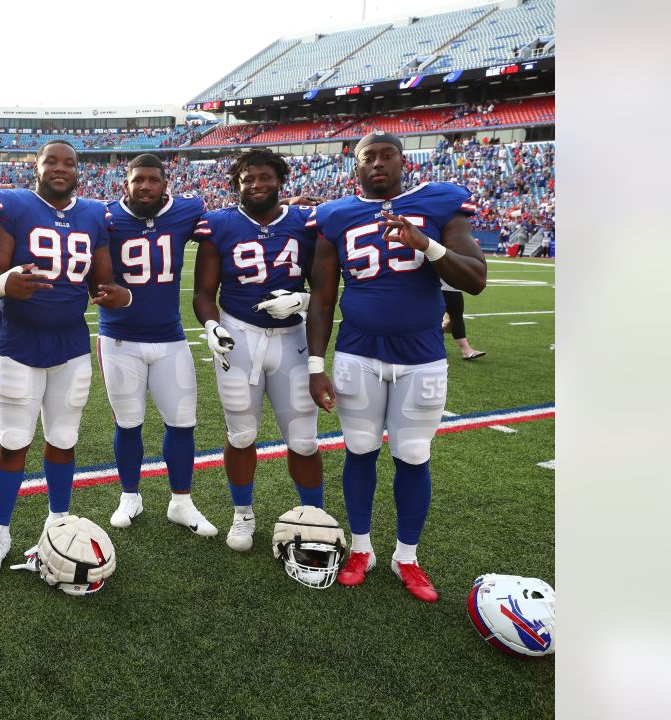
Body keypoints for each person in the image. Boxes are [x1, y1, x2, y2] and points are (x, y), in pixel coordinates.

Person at [304, 131, 486, 603]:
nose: (378, 163)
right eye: (369, 157)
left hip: (422, 357)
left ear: (404, 162)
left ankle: (406, 556)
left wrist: (427, 244)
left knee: (413, 454)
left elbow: (476, 279)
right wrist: (315, 366)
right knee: (359, 447)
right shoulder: (335, 215)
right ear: (356, 167)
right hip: (357, 353)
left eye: (387, 156)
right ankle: (361, 548)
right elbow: (323, 299)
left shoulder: (442, 202)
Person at [0, 140, 130, 578]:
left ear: (79, 170)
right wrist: (7, 284)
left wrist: (119, 293)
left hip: (70, 345)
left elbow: (104, 281)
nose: (61, 168)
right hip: (20, 343)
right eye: (52, 161)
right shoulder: (13, 204)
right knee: (13, 440)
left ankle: (57, 523)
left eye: (70, 162)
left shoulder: (94, 214)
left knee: (63, 439)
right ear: (37, 167)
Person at [192, 149, 324, 552]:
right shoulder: (218, 224)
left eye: (264, 177)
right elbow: (202, 292)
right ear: (237, 183)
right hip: (239, 336)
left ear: (280, 179)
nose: (256, 185)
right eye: (248, 179)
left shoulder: (306, 223)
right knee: (242, 433)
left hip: (292, 339)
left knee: (304, 439)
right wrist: (213, 326)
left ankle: (313, 516)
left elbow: (325, 287)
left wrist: (301, 301)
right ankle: (242, 514)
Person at [96, 154, 218, 538]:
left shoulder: (189, 209)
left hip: (170, 337)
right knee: (128, 422)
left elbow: (225, 223)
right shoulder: (106, 218)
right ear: (125, 184)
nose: (145, 186)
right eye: (138, 180)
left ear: (165, 184)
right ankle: (130, 495)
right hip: (119, 338)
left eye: (152, 180)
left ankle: (181, 501)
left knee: (182, 422)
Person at [442, 282, 485, 359]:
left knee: (454, 315)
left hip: (447, 286)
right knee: (456, 315)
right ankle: (466, 350)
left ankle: (465, 350)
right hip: (447, 286)